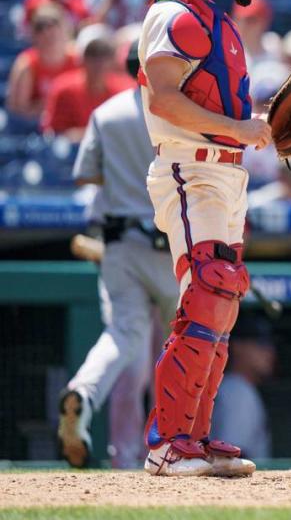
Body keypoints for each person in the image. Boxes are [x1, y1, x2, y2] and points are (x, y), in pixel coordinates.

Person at [137, 0, 271, 477]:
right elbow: (162, 99)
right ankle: (168, 442)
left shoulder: (211, 16)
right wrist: (241, 129)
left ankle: (193, 437)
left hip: (222, 169)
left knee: (220, 303)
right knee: (208, 294)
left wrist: (257, 131)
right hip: (190, 168)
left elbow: (209, 101)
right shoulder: (175, 14)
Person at [56, 44, 179, 470]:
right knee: (184, 349)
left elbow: (86, 174)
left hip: (119, 244)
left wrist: (125, 173)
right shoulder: (177, 112)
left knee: (123, 339)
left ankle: (85, 395)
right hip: (170, 248)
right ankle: (174, 448)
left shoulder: (106, 112)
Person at [41, 35, 135, 140]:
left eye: (104, 58)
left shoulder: (124, 90)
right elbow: (54, 134)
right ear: (83, 60)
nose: (99, 65)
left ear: (112, 62)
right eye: (94, 57)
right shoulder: (64, 89)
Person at [210, 313, 275, 461]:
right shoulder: (237, 391)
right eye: (261, 344)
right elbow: (231, 456)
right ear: (238, 347)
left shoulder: (237, 387)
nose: (269, 352)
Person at [5, 3, 79, 124]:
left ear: (65, 29)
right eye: (40, 27)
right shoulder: (26, 64)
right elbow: (18, 111)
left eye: (53, 26)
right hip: (35, 128)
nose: (47, 33)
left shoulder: (77, 60)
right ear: (34, 34)